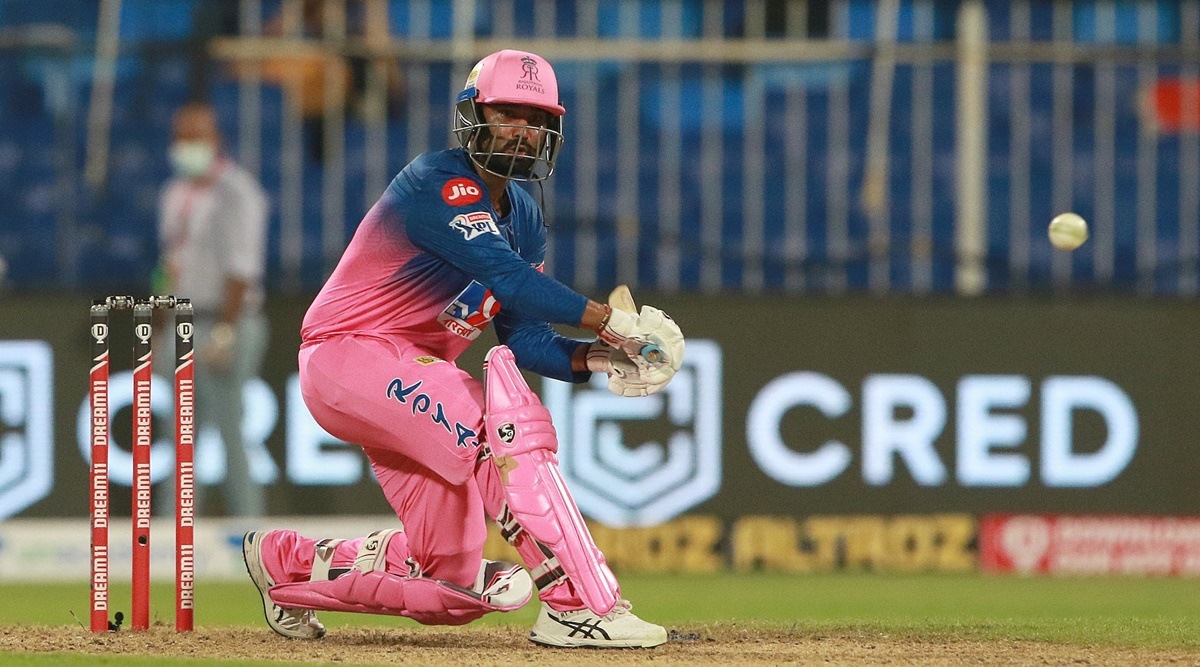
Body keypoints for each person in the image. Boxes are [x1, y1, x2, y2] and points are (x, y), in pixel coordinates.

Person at [240, 50, 684, 648]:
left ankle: (286, 562)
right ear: (472, 115)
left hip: (410, 382)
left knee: (449, 581)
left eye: (536, 119)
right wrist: (612, 321)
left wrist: (601, 357)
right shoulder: (436, 182)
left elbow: (526, 338)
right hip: (350, 355)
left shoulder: (525, 217)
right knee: (499, 431)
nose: (522, 130)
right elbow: (509, 279)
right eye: (507, 114)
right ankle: (579, 605)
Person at [158, 101, 270, 517]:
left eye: (196, 137)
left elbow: (242, 268)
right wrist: (161, 323)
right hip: (184, 321)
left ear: (215, 140)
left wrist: (225, 332)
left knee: (230, 429)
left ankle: (250, 525)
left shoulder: (237, 192)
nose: (187, 145)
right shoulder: (174, 193)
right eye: (181, 137)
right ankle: (175, 526)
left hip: (228, 320)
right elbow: (168, 266)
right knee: (179, 434)